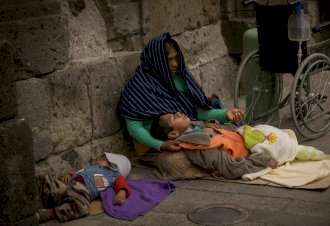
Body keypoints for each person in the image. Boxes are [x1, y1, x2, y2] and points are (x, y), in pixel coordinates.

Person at [118, 32, 245, 164]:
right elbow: (134, 128)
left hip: (185, 131)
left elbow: (197, 112)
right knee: (201, 155)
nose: (175, 64)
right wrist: (161, 145)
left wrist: (226, 114)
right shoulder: (140, 86)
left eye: (176, 58)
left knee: (233, 138)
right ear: (157, 60)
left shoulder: (181, 77)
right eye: (169, 60)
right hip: (153, 146)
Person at [150, 112, 278, 179]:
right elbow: (231, 168)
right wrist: (264, 160)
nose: (178, 112)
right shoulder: (200, 147)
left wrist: (208, 125)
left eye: (174, 113)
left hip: (250, 137)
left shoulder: (197, 128)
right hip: (253, 152)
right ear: (173, 134)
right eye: (173, 117)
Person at [35, 152, 131, 223]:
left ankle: (50, 213)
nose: (98, 161)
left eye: (102, 159)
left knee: (83, 208)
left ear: (114, 163)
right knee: (46, 180)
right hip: (69, 184)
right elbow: (78, 173)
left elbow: (122, 184)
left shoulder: (114, 176)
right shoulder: (93, 167)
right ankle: (36, 199)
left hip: (83, 193)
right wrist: (68, 175)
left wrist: (122, 192)